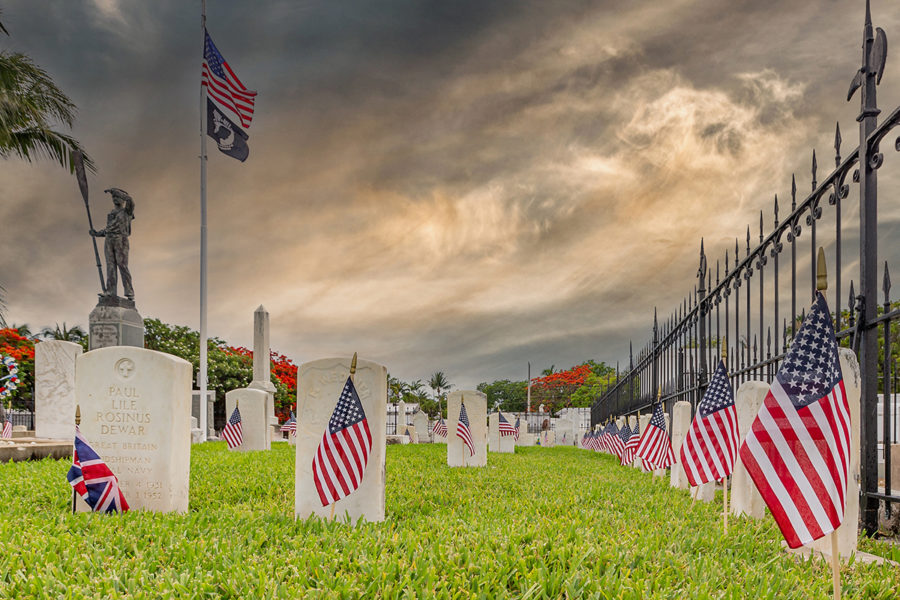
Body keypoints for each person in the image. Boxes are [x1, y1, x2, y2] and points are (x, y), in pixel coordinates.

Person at [90, 188, 135, 300]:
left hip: (121, 239)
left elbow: (130, 200)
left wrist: (115, 191)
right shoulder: (111, 213)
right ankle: (110, 291)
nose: (115, 198)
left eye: (118, 196)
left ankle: (129, 292)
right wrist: (96, 233)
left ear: (123, 198)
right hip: (109, 240)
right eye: (114, 197)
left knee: (122, 265)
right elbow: (109, 229)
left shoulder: (127, 211)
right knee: (110, 266)